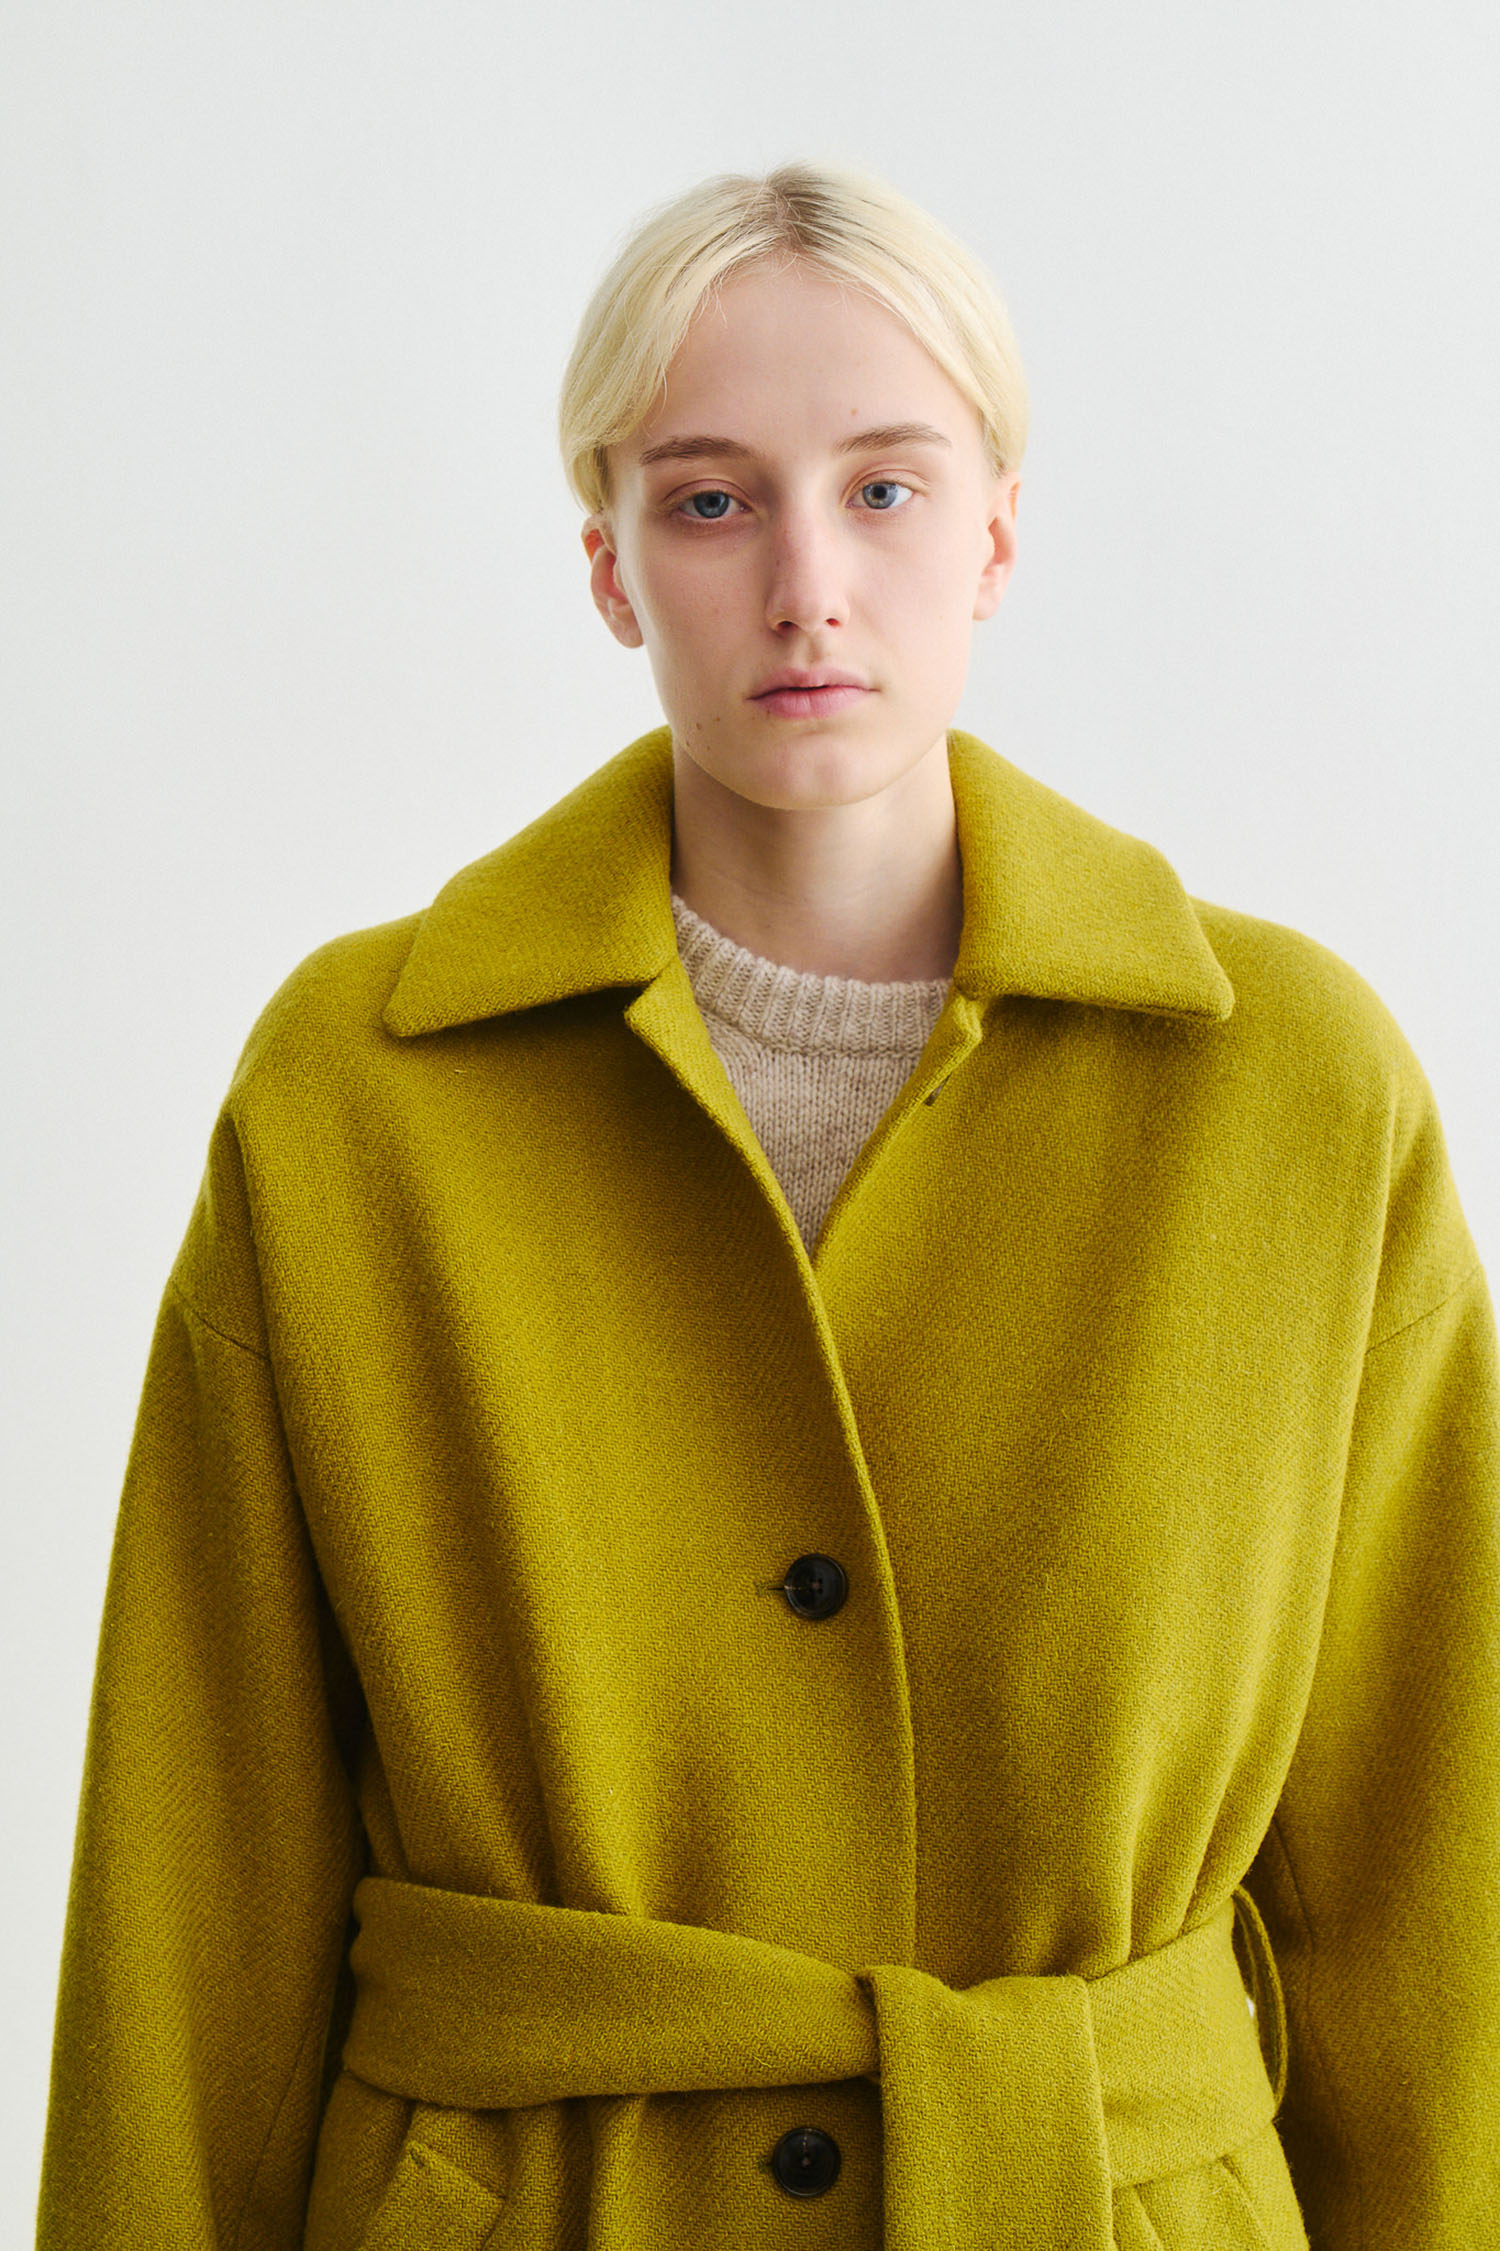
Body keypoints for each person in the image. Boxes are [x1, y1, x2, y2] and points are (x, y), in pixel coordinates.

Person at [36, 161, 1498, 2251]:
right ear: (612, 565)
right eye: (713, 500)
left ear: (997, 532)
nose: (808, 583)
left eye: (885, 488)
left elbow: (1433, 1876)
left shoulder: (1295, 1091)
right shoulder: (357, 1091)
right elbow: (198, 1879)